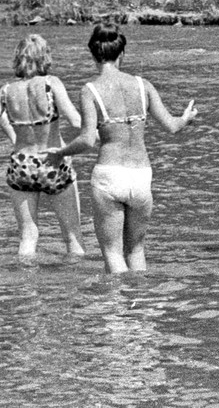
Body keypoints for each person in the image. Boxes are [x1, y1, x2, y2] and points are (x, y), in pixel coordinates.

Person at [47, 23, 198, 273]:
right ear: (122, 54)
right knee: (136, 250)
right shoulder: (143, 85)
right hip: (141, 175)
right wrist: (187, 118)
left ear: (93, 55)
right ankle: (139, 308)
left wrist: (60, 153)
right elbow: (172, 126)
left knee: (112, 253)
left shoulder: (90, 90)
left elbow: (86, 140)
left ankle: (117, 312)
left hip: (109, 175)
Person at [0, 35, 85, 257]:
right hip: (53, 160)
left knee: (28, 235)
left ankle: (26, 288)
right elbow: (76, 121)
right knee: (72, 236)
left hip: (21, 163)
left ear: (18, 58)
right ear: (44, 57)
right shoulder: (51, 84)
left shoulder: (6, 91)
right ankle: (78, 288)